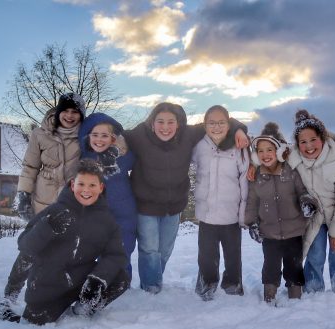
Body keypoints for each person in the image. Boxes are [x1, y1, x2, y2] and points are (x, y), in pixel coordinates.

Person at [121, 102, 249, 294]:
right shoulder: (141, 135)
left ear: (178, 124)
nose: (165, 127)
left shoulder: (188, 135)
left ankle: (154, 280)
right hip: (146, 206)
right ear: (152, 123)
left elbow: (219, 122)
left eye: (170, 122)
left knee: (164, 251)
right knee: (149, 250)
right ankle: (151, 287)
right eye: (160, 122)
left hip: (173, 207)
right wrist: (118, 141)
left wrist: (239, 130)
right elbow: (117, 133)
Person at [0, 159, 130, 325]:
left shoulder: (107, 220)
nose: (86, 190)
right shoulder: (55, 211)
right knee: (32, 324)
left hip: (81, 281)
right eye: (81, 184)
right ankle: (3, 305)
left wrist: (97, 280)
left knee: (121, 277)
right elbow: (25, 245)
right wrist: (47, 227)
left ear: (101, 188)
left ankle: (84, 308)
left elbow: (116, 256)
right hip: (48, 285)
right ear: (73, 185)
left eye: (92, 185)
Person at [0, 93, 87, 320]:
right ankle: (10, 294)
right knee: (32, 249)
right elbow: (29, 166)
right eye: (66, 111)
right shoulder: (40, 134)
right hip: (43, 202)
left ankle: (51, 294)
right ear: (58, 112)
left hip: (72, 204)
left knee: (63, 252)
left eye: (75, 112)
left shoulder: (86, 135)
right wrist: (23, 194)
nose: (70, 116)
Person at [286, 110, 335, 301]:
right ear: (297, 144)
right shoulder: (294, 160)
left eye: (313, 140)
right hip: (315, 215)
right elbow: (268, 156)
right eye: (303, 142)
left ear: (323, 137)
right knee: (315, 252)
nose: (309, 146)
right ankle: (313, 289)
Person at [244, 122, 318, 303]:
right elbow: (252, 202)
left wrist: (307, 202)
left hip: (294, 231)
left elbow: (302, 191)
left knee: (294, 265)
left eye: (269, 150)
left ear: (278, 151)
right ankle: (269, 294)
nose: (265, 155)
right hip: (269, 232)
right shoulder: (257, 177)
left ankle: (295, 293)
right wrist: (251, 223)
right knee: (270, 266)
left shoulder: (291, 172)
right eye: (260, 151)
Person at [191, 105, 250, 301]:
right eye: (212, 123)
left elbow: (244, 181)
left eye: (221, 122)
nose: (216, 127)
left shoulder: (238, 145)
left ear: (229, 123)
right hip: (206, 213)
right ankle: (207, 283)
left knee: (233, 256)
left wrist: (243, 215)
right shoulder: (198, 145)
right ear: (205, 124)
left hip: (230, 214)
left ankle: (233, 284)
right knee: (206, 256)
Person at [79, 113, 137, 276]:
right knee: (98, 251)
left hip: (124, 212)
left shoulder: (123, 156)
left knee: (123, 249)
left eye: (105, 135)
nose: (99, 139)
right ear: (87, 136)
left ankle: (123, 281)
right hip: (95, 213)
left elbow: (143, 162)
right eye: (95, 135)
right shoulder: (83, 158)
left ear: (113, 138)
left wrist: (122, 148)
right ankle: (101, 279)